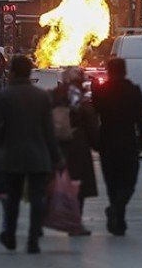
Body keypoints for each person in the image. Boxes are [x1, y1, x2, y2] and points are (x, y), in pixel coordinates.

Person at [0, 55, 63, 254]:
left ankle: (10, 235)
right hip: (38, 155)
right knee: (37, 198)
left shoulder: (4, 96)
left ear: (12, 72)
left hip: (11, 155)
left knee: (12, 198)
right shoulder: (42, 97)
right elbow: (49, 130)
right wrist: (56, 156)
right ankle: (33, 240)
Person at [92, 57, 142, 236]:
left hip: (107, 142)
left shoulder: (102, 91)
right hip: (127, 142)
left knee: (112, 183)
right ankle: (118, 214)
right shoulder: (133, 91)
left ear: (109, 71)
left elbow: (95, 113)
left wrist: (94, 142)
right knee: (128, 182)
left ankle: (116, 212)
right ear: (124, 71)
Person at [51, 67, 100, 236]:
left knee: (55, 185)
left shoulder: (54, 95)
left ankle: (42, 222)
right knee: (79, 187)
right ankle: (75, 222)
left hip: (57, 147)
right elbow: (90, 123)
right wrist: (97, 145)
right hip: (77, 146)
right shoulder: (80, 98)